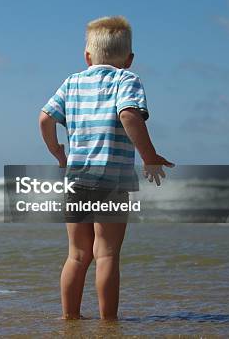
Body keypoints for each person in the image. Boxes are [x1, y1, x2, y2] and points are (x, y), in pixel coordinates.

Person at [38, 16, 173, 320]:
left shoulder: (71, 82)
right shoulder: (127, 80)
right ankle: (108, 321)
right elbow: (129, 115)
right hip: (112, 178)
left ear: (87, 56)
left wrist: (58, 151)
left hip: (76, 178)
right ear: (129, 58)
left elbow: (45, 118)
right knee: (107, 253)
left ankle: (70, 317)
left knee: (77, 254)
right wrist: (149, 156)